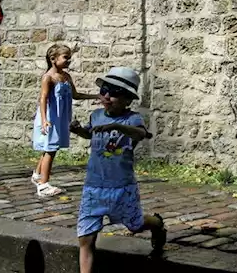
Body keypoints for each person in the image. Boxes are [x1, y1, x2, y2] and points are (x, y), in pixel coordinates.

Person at [69, 67, 165, 272]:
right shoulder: (96, 115)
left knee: (135, 225)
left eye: (114, 93)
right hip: (93, 187)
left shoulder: (132, 119)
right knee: (85, 238)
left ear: (128, 100)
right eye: (104, 91)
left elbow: (140, 134)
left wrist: (117, 127)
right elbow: (90, 133)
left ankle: (156, 223)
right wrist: (78, 130)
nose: (106, 96)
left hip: (122, 187)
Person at [32, 44, 97, 198]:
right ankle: (43, 185)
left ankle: (37, 175)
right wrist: (44, 120)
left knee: (49, 147)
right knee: (51, 149)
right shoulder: (48, 77)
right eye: (66, 57)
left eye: (69, 58)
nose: (69, 61)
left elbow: (76, 95)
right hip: (51, 118)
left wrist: (95, 97)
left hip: (61, 118)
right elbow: (43, 99)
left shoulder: (66, 76)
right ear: (53, 59)